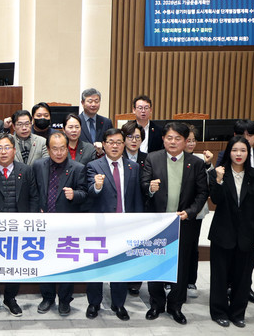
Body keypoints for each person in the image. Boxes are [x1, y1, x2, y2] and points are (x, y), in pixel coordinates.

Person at [141, 121, 208, 325]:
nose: (173, 142)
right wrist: (150, 188)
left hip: (183, 222)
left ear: (185, 141)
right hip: (158, 222)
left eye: (178, 138)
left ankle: (176, 306)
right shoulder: (153, 158)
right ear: (163, 139)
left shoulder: (195, 163)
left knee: (181, 265)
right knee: (156, 263)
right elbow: (143, 184)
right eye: (169, 138)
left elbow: (202, 192)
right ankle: (156, 304)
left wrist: (190, 212)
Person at [0, 133, 40, 317]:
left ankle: (10, 298)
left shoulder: (25, 170)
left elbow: (34, 197)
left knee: (14, 264)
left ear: (14, 150)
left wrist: (31, 222)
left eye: (7, 148)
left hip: (18, 228)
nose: (3, 152)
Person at [208, 135, 254, 328]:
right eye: (234, 150)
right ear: (229, 152)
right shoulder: (219, 173)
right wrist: (218, 180)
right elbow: (215, 200)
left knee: (243, 277)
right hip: (222, 233)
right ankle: (218, 312)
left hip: (247, 235)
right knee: (220, 276)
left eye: (243, 150)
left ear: (248, 153)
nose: (238, 154)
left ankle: (237, 313)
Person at [85, 128, 144, 321]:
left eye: (119, 142)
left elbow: (137, 197)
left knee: (121, 266)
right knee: (96, 266)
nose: (115, 146)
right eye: (110, 142)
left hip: (124, 226)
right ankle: (94, 303)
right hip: (100, 226)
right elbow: (90, 193)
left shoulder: (133, 167)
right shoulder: (93, 166)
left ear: (124, 144)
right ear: (103, 144)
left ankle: (118, 303)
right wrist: (97, 186)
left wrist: (137, 223)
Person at [33, 132, 86, 316]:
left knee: (66, 264)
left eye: (62, 148)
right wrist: (36, 211)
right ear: (48, 149)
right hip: (44, 224)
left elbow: (85, 194)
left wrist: (75, 194)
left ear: (67, 148)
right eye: (54, 149)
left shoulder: (78, 168)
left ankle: (65, 300)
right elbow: (33, 191)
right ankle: (47, 297)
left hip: (66, 226)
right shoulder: (38, 165)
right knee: (45, 262)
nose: (59, 152)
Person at [184, 124, 214, 299]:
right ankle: (170, 281)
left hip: (196, 211)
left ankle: (191, 281)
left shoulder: (201, 159)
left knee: (192, 246)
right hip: (177, 211)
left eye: (193, 140)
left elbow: (210, 183)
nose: (190, 144)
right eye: (187, 140)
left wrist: (208, 164)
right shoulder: (172, 158)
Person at [121, 119, 149, 296]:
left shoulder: (148, 159)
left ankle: (134, 282)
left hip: (140, 208)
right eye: (130, 137)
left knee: (137, 247)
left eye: (137, 137)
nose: (133, 140)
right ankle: (120, 279)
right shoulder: (117, 157)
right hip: (121, 209)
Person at [78, 88, 113, 152]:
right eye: (90, 101)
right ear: (82, 103)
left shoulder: (106, 122)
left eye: (96, 101)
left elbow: (111, 143)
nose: (93, 105)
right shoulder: (76, 122)